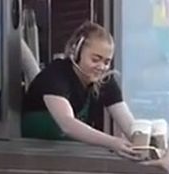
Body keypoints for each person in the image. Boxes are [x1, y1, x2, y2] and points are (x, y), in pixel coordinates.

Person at [22, 21, 137, 157]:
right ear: (76, 52)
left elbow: (128, 123)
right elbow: (67, 124)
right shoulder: (56, 75)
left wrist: (143, 140)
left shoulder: (105, 80)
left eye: (106, 62)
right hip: (32, 153)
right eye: (95, 59)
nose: (101, 67)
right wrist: (112, 142)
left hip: (69, 154)